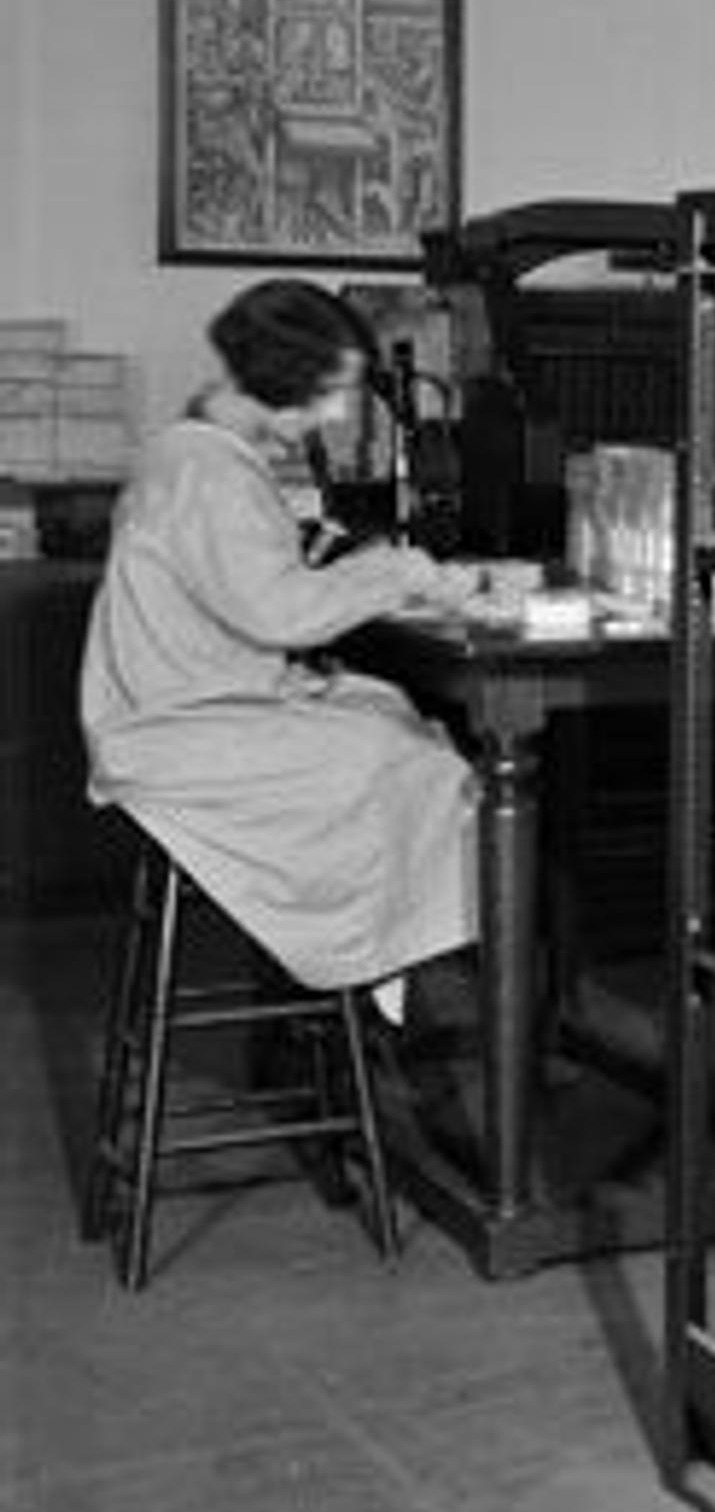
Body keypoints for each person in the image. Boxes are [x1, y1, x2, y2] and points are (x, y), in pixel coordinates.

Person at [80, 278, 490, 1007]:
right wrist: (398, 571)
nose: (335, 414)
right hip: (175, 733)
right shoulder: (208, 470)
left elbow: (243, 583)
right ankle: (385, 970)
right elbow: (280, 615)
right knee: (414, 764)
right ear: (278, 380)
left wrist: (348, 568)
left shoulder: (191, 452)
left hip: (177, 711)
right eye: (328, 395)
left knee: (386, 711)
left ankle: (384, 958)